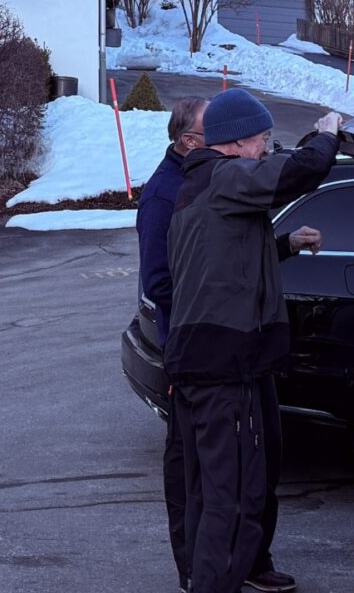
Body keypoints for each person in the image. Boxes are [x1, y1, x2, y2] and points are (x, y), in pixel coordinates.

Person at [166, 90, 344, 593]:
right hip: (223, 367)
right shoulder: (222, 177)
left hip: (204, 361)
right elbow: (298, 172)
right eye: (263, 139)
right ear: (237, 141)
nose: (266, 148)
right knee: (231, 495)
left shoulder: (203, 188)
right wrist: (327, 137)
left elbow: (228, 262)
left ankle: (213, 576)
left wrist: (286, 244)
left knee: (214, 489)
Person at [136, 97, 209, 587]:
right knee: (187, 466)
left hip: (209, 345)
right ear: (187, 142)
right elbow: (158, 282)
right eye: (211, 130)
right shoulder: (165, 194)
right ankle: (191, 568)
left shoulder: (203, 180)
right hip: (185, 346)